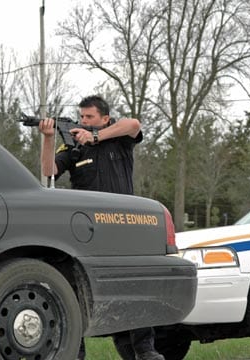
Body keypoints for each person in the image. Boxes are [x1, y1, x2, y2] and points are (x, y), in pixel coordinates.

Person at [39, 95, 164, 360]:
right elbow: (48, 173)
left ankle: (144, 350)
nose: (84, 122)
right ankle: (76, 351)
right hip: (88, 229)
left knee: (134, 287)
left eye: (89, 117)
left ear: (105, 119)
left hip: (124, 225)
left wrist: (95, 137)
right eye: (81, 117)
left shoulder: (118, 138)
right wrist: (49, 138)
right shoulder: (72, 147)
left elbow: (134, 124)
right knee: (79, 288)